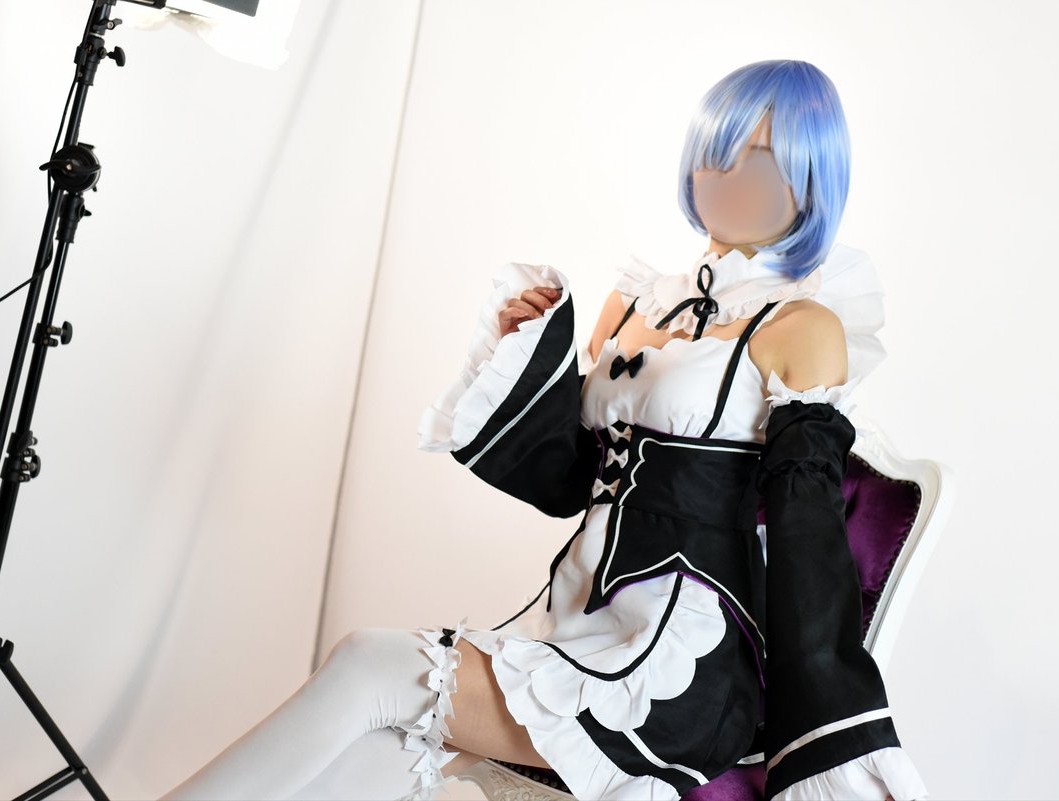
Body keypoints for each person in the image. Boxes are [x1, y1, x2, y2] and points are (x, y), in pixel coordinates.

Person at [159, 59, 929, 801]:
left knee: (371, 666)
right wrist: (528, 352)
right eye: (720, 151)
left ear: (812, 180)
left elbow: (807, 540)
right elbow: (572, 484)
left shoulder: (803, 327)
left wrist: (836, 732)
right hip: (575, 624)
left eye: (763, 161)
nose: (732, 177)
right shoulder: (636, 305)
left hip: (679, 667)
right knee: (375, 754)